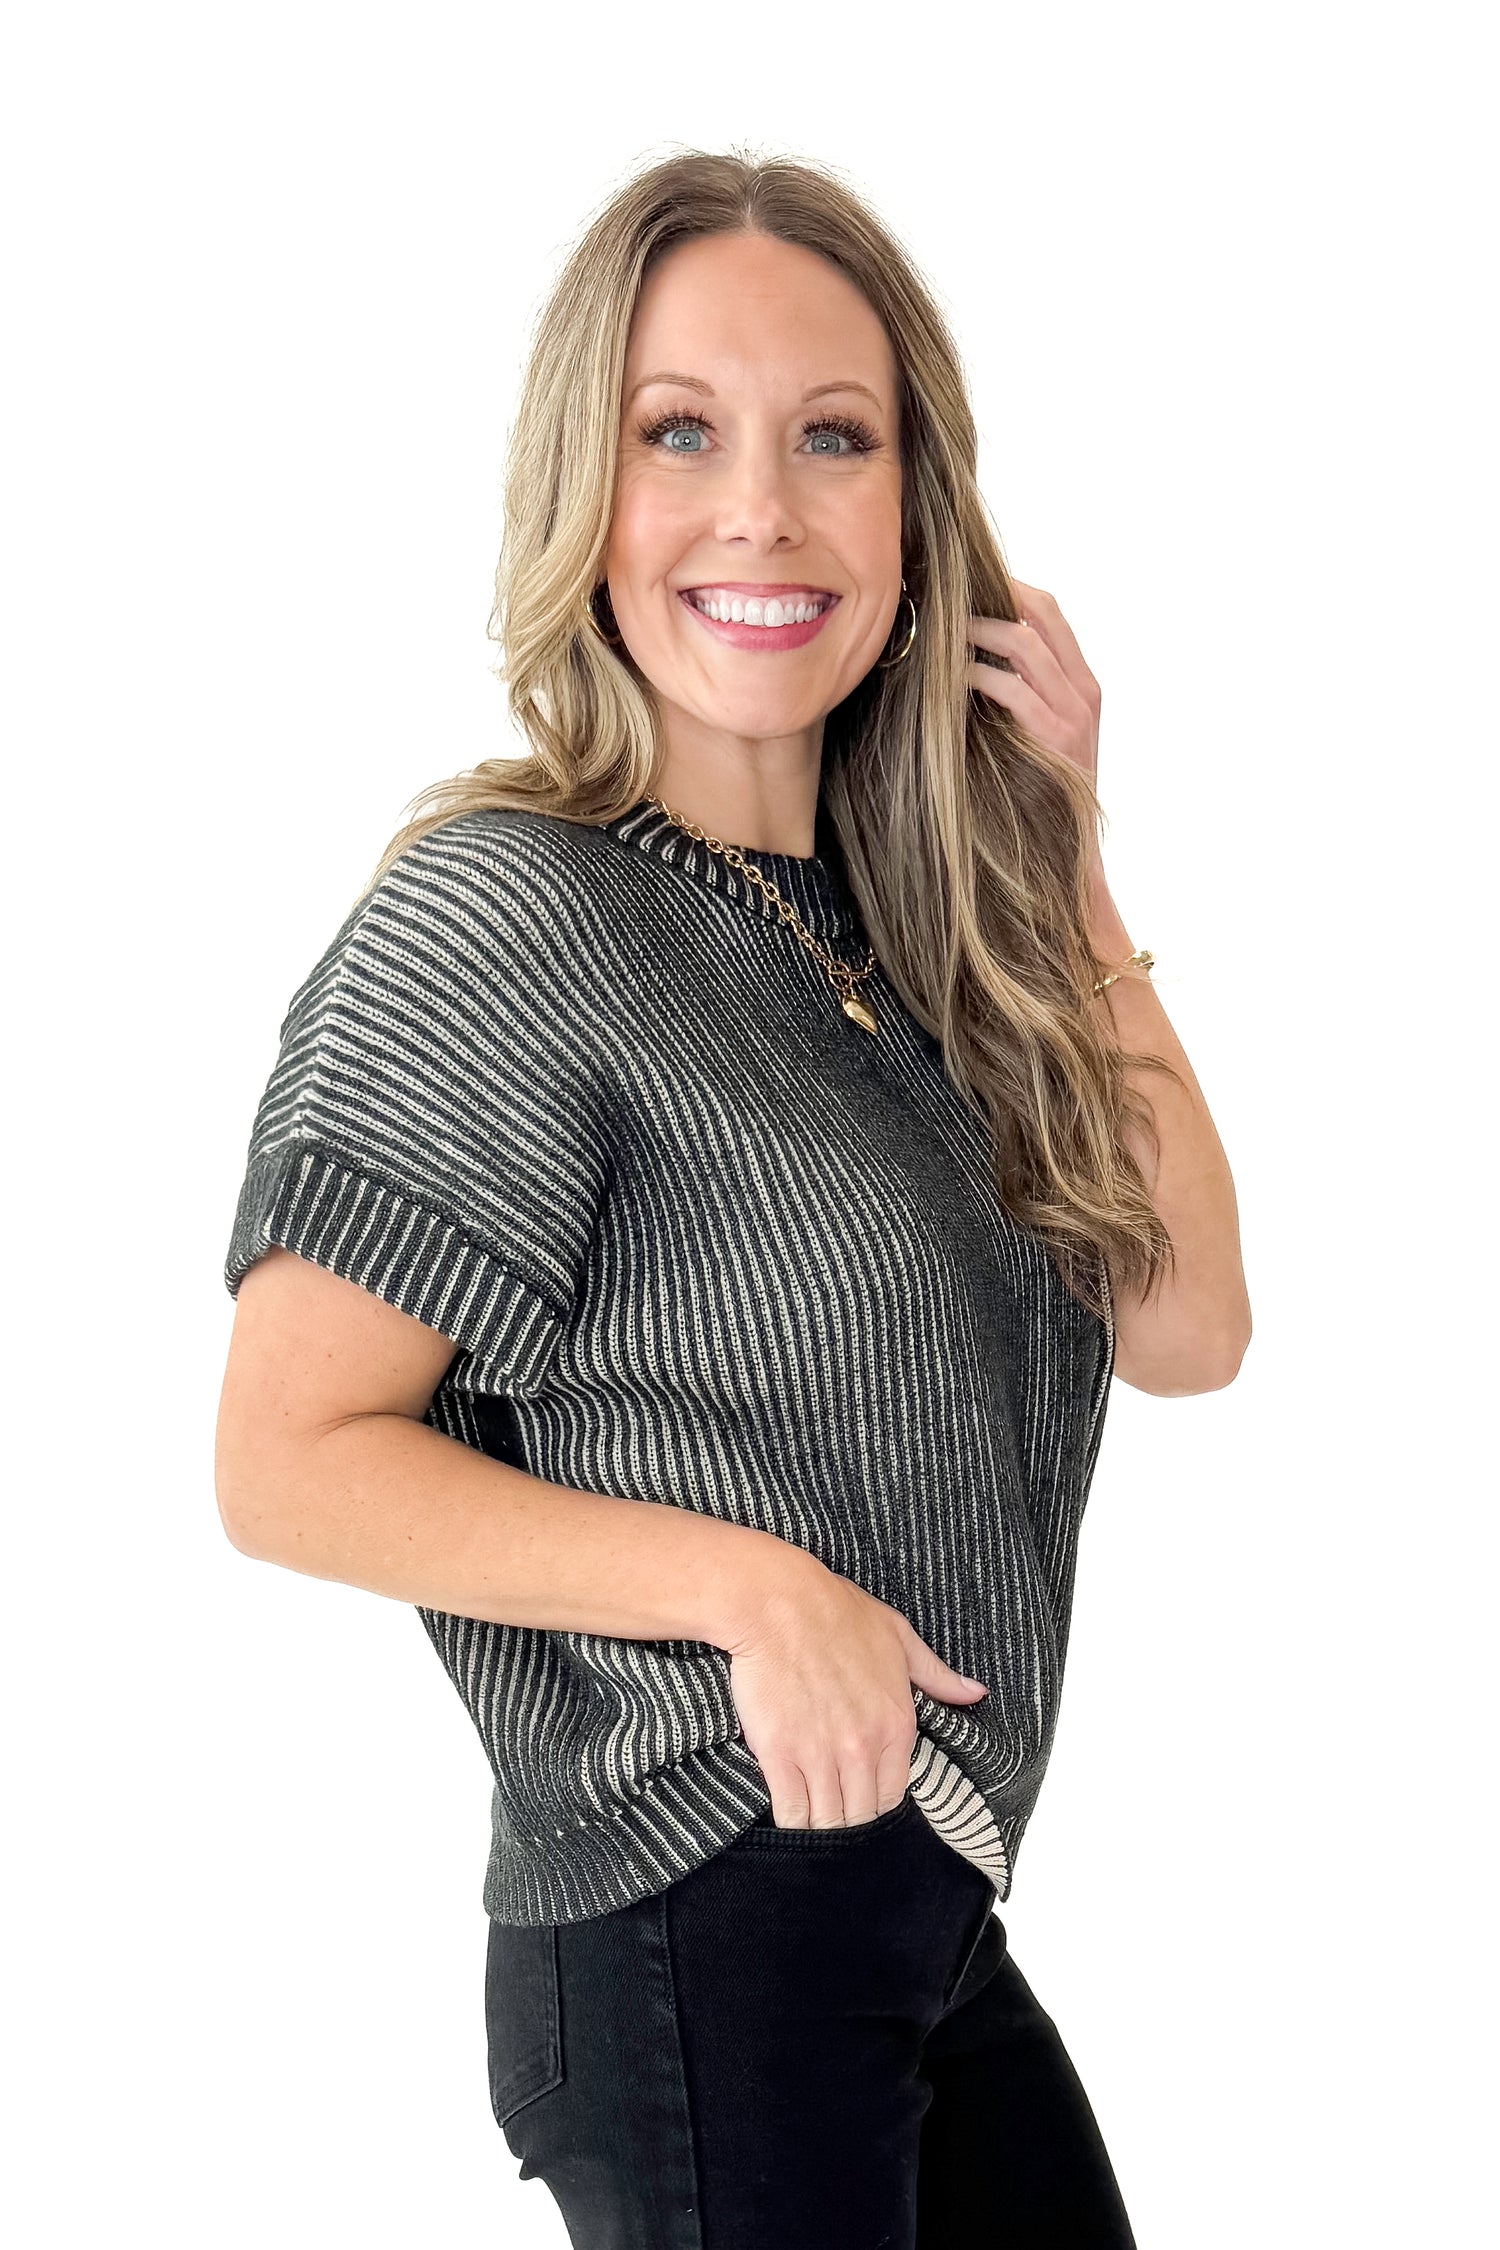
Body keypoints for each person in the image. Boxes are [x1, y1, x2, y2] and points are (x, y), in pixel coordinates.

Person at [216, 146, 1250, 2249]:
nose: (761, 508)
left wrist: (1064, 859)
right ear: (585, 493)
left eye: (832, 441)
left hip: (923, 1898)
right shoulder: (508, 913)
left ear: (915, 519)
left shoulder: (933, 956)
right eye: (679, 433)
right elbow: (283, 1460)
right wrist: (747, 1588)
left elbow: (1194, 1330)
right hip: (702, 1901)